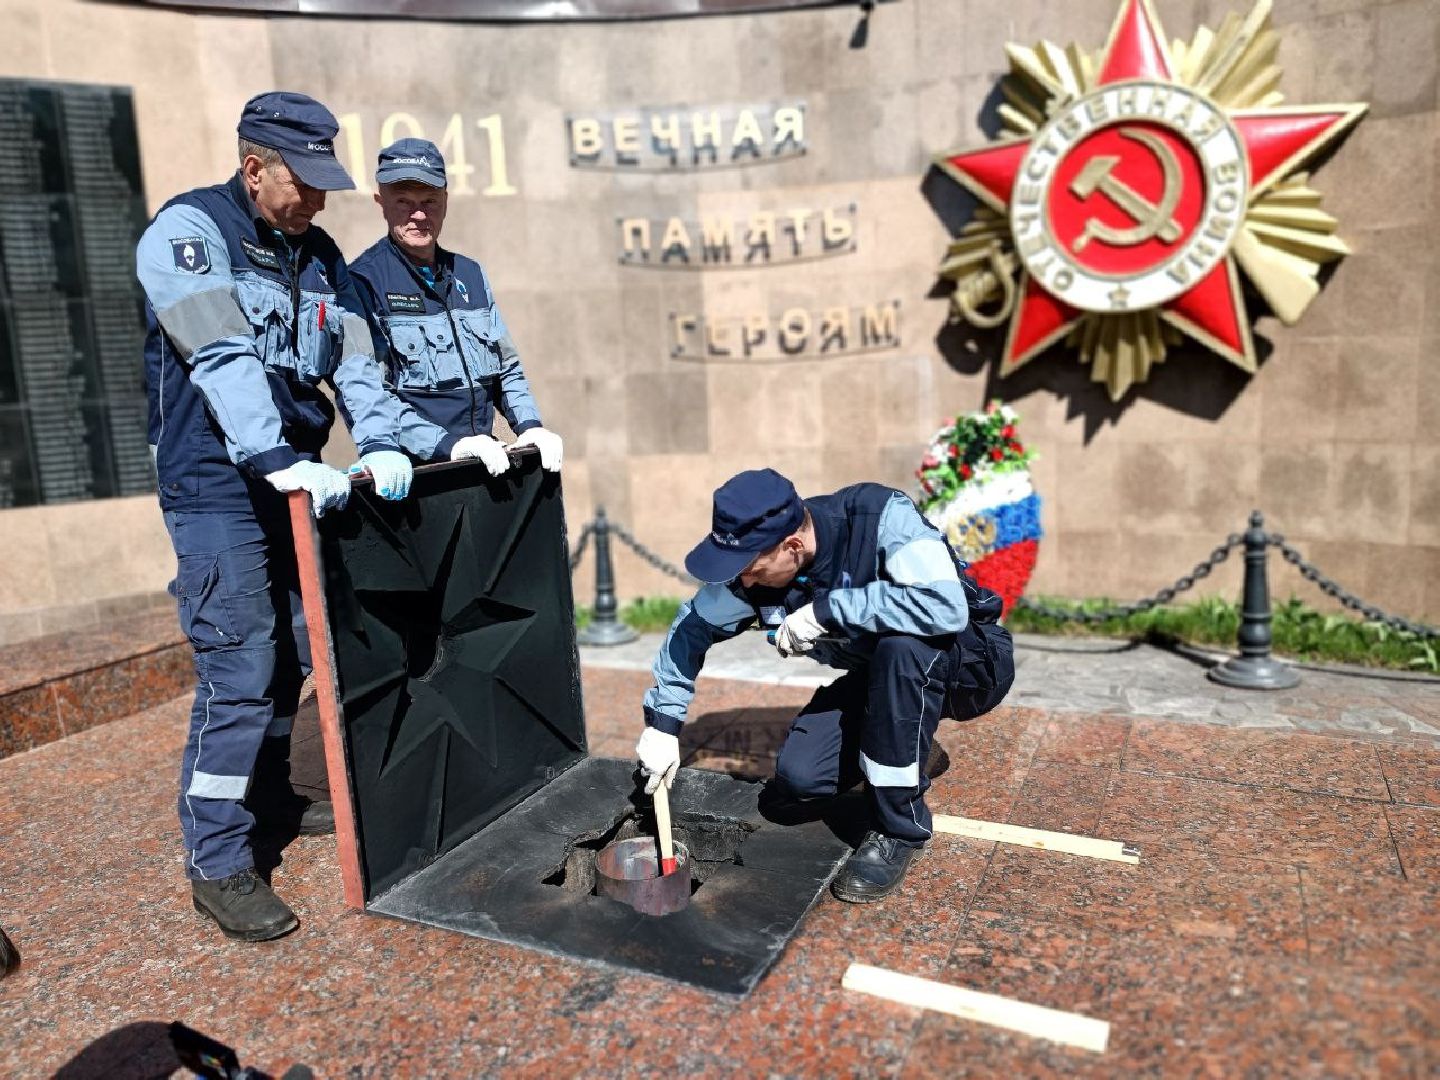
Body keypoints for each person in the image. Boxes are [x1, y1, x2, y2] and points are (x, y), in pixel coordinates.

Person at [137, 92, 458, 942]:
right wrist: (276, 457)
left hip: (297, 480)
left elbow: (355, 363)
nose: (318, 200)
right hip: (218, 485)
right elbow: (220, 351)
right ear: (254, 167)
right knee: (240, 666)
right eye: (303, 182)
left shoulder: (319, 258)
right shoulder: (188, 234)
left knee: (291, 652)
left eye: (326, 183)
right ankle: (219, 859)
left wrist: (383, 441)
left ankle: (271, 794)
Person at [635, 469, 1015, 903]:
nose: (744, 583)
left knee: (902, 646)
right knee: (800, 781)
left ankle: (899, 830)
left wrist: (828, 611)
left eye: (750, 569)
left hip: (970, 665)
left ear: (792, 547)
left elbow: (944, 608)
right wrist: (663, 724)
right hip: (883, 679)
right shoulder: (757, 578)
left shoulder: (880, 517)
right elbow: (691, 629)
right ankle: (913, 746)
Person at [349, 138, 563, 476]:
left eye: (430, 201)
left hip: (486, 462)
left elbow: (506, 367)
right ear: (381, 203)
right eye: (404, 201)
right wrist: (448, 445)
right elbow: (372, 396)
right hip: (421, 474)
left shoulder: (470, 274)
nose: (419, 215)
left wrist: (529, 424)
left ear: (446, 202)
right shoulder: (363, 282)